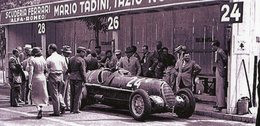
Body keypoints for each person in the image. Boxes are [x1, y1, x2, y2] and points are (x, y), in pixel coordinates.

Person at [46, 44, 67, 116]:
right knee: (59, 92)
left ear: (51, 49)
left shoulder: (49, 58)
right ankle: (62, 105)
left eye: (48, 49)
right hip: (60, 75)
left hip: (53, 75)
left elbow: (47, 69)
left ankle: (56, 111)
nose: (48, 51)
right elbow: (65, 68)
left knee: (54, 94)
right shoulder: (61, 58)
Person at [28, 47, 49, 119]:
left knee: (35, 95)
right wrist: (45, 77)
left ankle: (38, 109)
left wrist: (29, 82)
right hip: (42, 77)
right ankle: (41, 108)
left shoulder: (32, 60)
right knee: (42, 94)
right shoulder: (43, 59)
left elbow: (31, 72)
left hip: (35, 78)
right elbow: (46, 70)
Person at [67, 46, 87, 114]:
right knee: (78, 94)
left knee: (72, 94)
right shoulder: (81, 60)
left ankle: (71, 109)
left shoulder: (71, 59)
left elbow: (69, 69)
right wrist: (85, 80)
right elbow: (83, 71)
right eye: (84, 52)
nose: (84, 54)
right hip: (79, 79)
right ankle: (76, 109)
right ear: (81, 52)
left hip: (72, 77)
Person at [211, 40, 227, 112]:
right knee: (217, 88)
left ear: (215, 45)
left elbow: (225, 59)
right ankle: (218, 103)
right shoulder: (217, 52)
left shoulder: (220, 51)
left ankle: (221, 104)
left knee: (220, 88)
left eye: (213, 46)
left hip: (220, 70)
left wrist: (224, 67)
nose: (212, 47)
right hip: (218, 69)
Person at [61, 45, 72, 111]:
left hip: (67, 76)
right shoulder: (61, 58)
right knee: (62, 91)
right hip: (62, 75)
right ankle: (62, 105)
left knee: (67, 91)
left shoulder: (68, 59)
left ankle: (67, 105)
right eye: (67, 53)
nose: (68, 54)